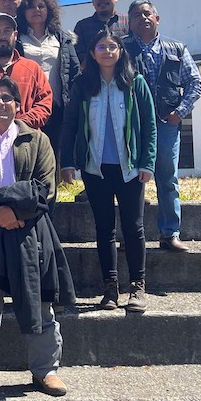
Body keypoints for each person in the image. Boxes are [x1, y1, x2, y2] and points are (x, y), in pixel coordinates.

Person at [0, 76, 75, 396]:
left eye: (7, 98)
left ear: (18, 104)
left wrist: (17, 214)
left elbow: (46, 189)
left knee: (39, 303)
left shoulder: (37, 140)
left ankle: (45, 370)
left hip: (28, 232)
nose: (0, 104)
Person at [61, 29, 157, 312]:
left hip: (130, 169)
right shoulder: (82, 85)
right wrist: (67, 161)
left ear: (120, 51)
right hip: (95, 169)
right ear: (92, 53)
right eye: (100, 46)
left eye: (112, 46)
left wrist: (147, 163)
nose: (106, 51)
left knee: (134, 228)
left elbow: (149, 126)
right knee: (104, 229)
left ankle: (137, 287)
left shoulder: (135, 83)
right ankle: (110, 288)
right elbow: (70, 126)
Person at [124, 0, 201, 252]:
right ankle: (131, 237)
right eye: (136, 15)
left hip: (166, 124)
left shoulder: (177, 48)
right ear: (129, 22)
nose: (142, 18)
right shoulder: (122, 49)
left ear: (157, 19)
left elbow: (195, 83)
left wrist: (180, 113)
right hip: (132, 126)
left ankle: (170, 233)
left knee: (167, 178)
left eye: (147, 13)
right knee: (131, 180)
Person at [16, 0, 81, 155]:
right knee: (27, 154)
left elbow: (75, 71)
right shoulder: (16, 39)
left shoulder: (61, 38)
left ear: (49, 10)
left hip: (56, 108)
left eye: (41, 6)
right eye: (30, 7)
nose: (36, 10)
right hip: (26, 108)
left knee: (53, 155)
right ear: (23, 12)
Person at [73, 0, 128, 64]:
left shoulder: (128, 22)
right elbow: (77, 55)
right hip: (92, 76)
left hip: (124, 75)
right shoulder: (82, 26)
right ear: (92, 1)